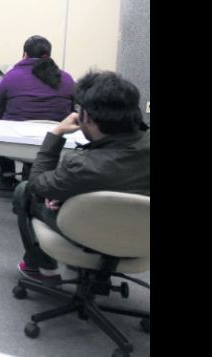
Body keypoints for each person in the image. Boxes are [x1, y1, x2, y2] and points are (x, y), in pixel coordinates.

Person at [14, 71, 150, 281]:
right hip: (142, 243)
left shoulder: (82, 167)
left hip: (90, 235)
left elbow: (36, 184)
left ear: (86, 116)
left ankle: (41, 268)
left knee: (23, 191)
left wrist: (56, 133)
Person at [0, 35, 76, 186]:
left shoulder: (11, 77)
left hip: (15, 142)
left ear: (24, 55)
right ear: (48, 56)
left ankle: (6, 177)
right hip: (54, 143)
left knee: (1, 123)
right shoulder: (67, 78)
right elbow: (74, 109)